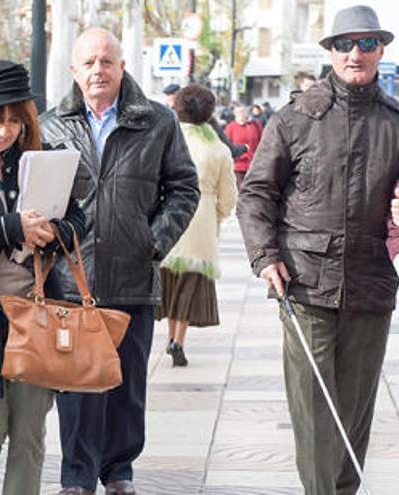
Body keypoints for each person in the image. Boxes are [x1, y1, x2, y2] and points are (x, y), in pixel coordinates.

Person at [237, 5, 399, 494]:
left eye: (367, 44)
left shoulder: (395, 122)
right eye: (346, 44)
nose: (356, 53)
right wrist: (265, 258)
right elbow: (256, 193)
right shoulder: (295, 118)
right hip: (305, 285)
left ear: (381, 50)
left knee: (353, 415)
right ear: (330, 51)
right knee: (315, 414)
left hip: (372, 285)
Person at [39, 27, 200, 495]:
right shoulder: (51, 125)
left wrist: (152, 241)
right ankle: (76, 477)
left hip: (132, 278)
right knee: (76, 389)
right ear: (74, 70)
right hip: (72, 282)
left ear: (122, 66)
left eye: (106, 61)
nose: (97, 71)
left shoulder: (156, 122)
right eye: (88, 63)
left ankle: (119, 472)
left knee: (127, 388)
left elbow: (184, 188)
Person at [0, 60, 86, 495]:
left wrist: (56, 231)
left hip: (36, 316)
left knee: (29, 433)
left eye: (12, 120)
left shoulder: (39, 163)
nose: (3, 131)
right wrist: (11, 227)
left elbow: (78, 218)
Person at [156, 84, 237, 367]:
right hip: (201, 219)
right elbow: (228, 197)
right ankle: (179, 339)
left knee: (169, 280)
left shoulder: (165, 139)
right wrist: (217, 215)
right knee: (190, 283)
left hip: (166, 217)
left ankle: (169, 338)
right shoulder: (218, 148)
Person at [224, 102, 263, 190]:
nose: (241, 114)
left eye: (243, 112)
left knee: (254, 192)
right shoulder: (230, 128)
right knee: (241, 192)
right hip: (238, 167)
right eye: (238, 112)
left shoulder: (256, 125)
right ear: (235, 114)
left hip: (254, 165)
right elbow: (226, 147)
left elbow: (263, 142)